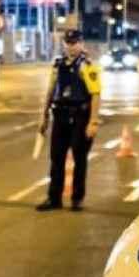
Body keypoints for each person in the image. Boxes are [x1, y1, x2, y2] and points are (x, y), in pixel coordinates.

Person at [37, 29, 103, 212]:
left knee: (79, 159)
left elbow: (96, 95)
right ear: (64, 44)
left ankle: (77, 198)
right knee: (56, 158)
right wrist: (43, 116)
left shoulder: (87, 65)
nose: (71, 46)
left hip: (80, 117)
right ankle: (54, 198)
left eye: (75, 42)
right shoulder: (58, 64)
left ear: (81, 44)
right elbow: (50, 91)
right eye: (68, 42)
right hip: (60, 116)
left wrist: (93, 122)